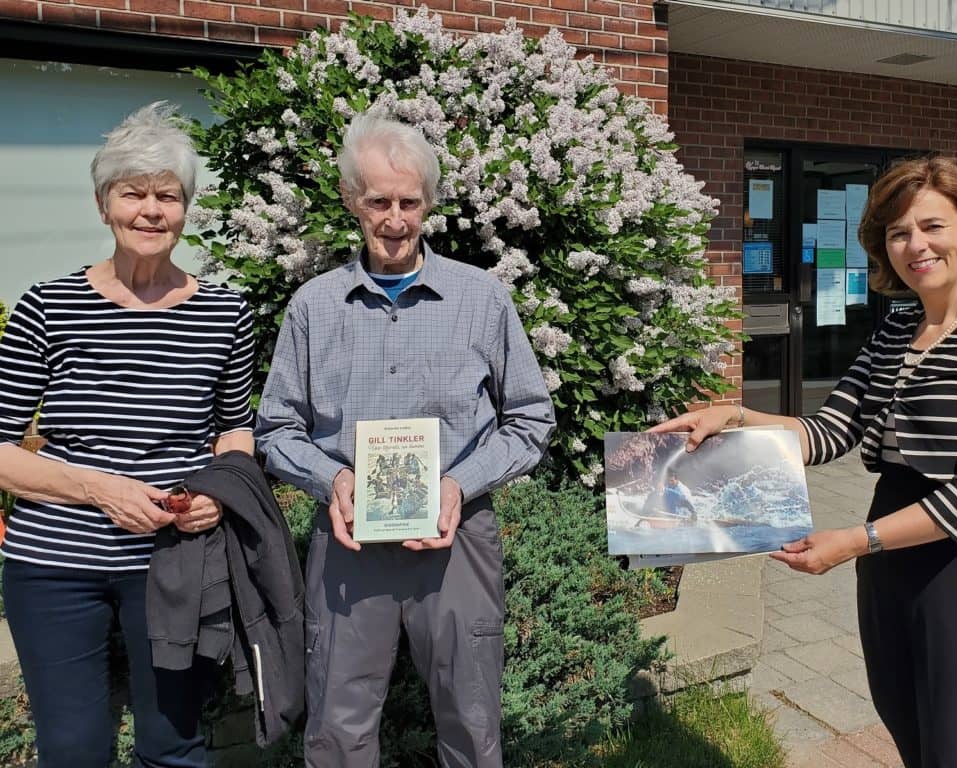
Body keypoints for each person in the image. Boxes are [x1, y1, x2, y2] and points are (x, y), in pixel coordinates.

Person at [652, 156, 957, 767]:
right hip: (889, 556)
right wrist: (734, 416)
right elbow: (831, 430)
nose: (915, 245)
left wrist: (855, 540)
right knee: (911, 726)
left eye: (933, 226)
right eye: (898, 232)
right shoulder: (897, 327)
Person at [254, 113, 555, 768]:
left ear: (429, 204)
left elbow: (531, 418)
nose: (394, 219)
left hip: (456, 543)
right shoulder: (313, 307)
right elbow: (276, 427)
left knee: (471, 724)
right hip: (349, 545)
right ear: (351, 201)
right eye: (378, 201)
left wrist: (459, 484)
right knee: (337, 729)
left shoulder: (482, 300)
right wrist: (330, 479)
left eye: (408, 202)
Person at [0, 103, 255, 767]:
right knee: (74, 750)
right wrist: (98, 490)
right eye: (132, 193)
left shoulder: (226, 315)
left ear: (186, 208)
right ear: (103, 204)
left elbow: (235, 431)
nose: (150, 210)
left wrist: (221, 494)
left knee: (173, 747)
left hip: (175, 564)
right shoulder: (46, 306)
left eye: (167, 195)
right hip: (55, 566)